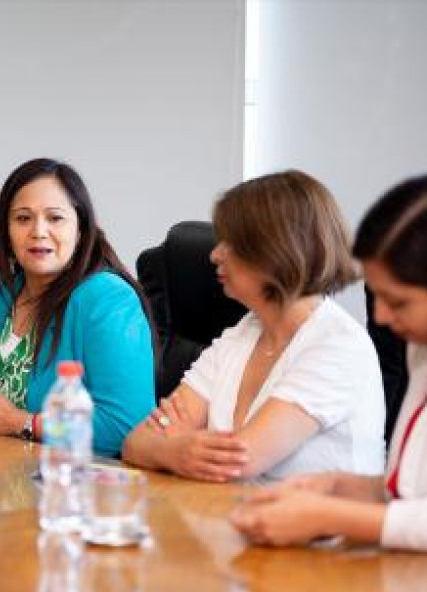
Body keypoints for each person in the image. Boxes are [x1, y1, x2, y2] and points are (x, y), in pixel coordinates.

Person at [231, 174, 427, 553]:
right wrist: (340, 488)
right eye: (376, 296)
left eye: (397, 302)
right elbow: (416, 490)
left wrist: (327, 516)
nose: (380, 316)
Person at [122, 170, 386, 482]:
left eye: (230, 243)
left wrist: (174, 444)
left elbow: (236, 462)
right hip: (227, 508)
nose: (214, 255)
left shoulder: (337, 345)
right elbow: (135, 443)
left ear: (277, 249)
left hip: (314, 515)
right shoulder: (243, 333)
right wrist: (174, 451)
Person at [0, 158, 155, 458]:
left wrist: (22, 423)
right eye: (23, 218)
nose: (38, 231)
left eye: (55, 218)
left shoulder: (107, 298)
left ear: (80, 229)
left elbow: (125, 426)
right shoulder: (1, 292)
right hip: (2, 471)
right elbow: (5, 398)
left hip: (76, 478)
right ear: (6, 230)